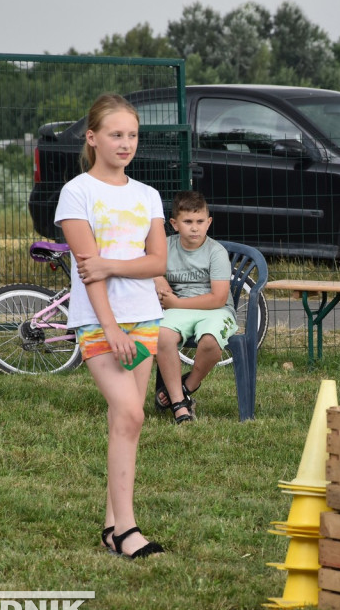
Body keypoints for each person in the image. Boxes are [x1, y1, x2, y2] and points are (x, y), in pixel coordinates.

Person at [54, 93, 168, 561]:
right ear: (93, 137)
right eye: (116, 134)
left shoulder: (148, 195)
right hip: (99, 323)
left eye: (133, 135)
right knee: (132, 413)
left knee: (125, 422)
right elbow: (88, 272)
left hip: (146, 318)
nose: (126, 144)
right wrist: (110, 327)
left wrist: (110, 264)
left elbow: (159, 261)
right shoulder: (77, 192)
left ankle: (110, 526)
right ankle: (128, 530)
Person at [152, 190, 238, 423]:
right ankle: (179, 405)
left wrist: (176, 302)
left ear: (208, 223)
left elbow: (218, 298)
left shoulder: (216, 252)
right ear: (174, 224)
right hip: (177, 312)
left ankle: (188, 386)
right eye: (188, 222)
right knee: (162, 335)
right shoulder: (165, 247)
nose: (194, 228)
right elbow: (147, 264)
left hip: (216, 311)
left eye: (200, 221)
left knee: (210, 341)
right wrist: (157, 277)